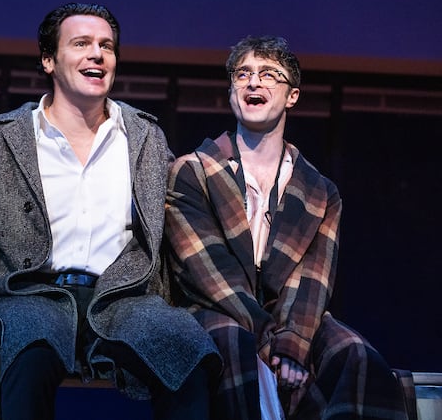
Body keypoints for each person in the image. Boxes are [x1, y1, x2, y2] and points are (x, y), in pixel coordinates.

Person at [0, 2, 220, 420]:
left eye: (106, 46)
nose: (97, 54)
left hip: (123, 296)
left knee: (187, 352)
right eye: (81, 43)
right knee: (25, 356)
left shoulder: (145, 137)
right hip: (32, 293)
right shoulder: (0, 139)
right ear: (48, 60)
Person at [165, 35, 408, 419]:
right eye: (242, 74)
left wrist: (293, 340)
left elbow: (313, 278)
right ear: (231, 91)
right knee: (231, 342)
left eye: (268, 75)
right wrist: (269, 340)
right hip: (216, 309)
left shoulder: (318, 190)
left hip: (288, 316)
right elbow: (206, 270)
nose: (253, 82)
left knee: (354, 354)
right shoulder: (192, 171)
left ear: (292, 96)